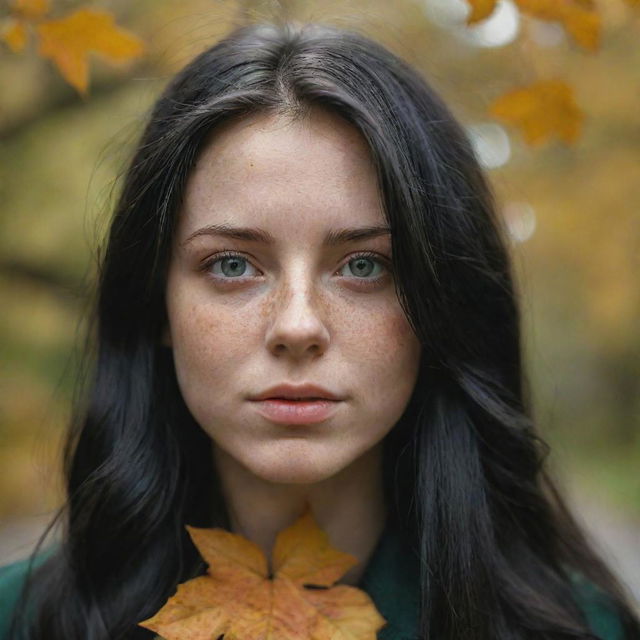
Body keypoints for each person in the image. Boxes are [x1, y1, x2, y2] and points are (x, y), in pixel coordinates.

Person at [0, 20, 638, 640]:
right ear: (155, 304)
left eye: (364, 266)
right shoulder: (19, 620)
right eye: (231, 265)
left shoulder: (580, 629)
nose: (297, 325)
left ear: (440, 304)